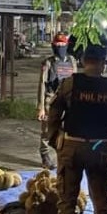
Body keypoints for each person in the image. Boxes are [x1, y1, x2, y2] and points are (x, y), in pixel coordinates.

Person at [47, 44, 107, 214]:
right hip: (99, 147)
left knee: (67, 197)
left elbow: (54, 112)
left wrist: (54, 138)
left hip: (72, 145)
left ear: (83, 61)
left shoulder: (69, 84)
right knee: (101, 198)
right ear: (103, 63)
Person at [37, 32, 77, 169]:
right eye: (57, 44)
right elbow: (42, 84)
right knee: (47, 130)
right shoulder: (48, 63)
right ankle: (45, 156)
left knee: (67, 130)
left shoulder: (72, 61)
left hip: (68, 101)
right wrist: (41, 107)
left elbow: (76, 80)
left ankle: (63, 154)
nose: (60, 47)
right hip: (51, 99)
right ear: (53, 46)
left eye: (62, 44)